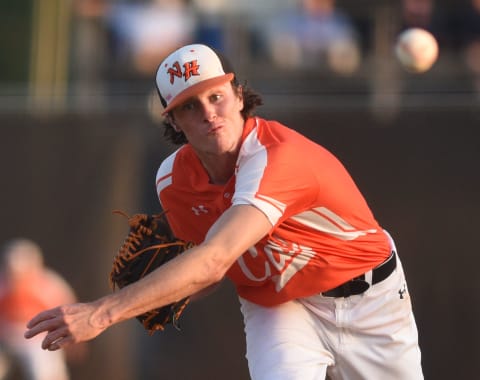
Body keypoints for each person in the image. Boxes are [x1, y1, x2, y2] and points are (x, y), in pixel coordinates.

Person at [25, 44, 423, 380]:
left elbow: (213, 261)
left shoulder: (279, 158)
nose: (209, 113)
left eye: (216, 97)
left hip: (371, 300)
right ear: (174, 121)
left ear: (237, 95)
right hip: (280, 308)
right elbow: (211, 273)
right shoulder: (172, 181)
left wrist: (102, 313)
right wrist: (156, 292)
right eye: (190, 107)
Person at [0, 238, 83, 380]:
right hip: (5, 340)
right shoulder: (3, 284)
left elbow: (71, 313)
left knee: (45, 373)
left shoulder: (50, 285)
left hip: (38, 341)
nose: (18, 277)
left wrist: (75, 341)